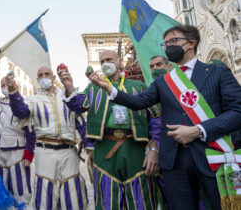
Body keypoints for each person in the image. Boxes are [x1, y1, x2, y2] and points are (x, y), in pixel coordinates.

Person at [88, 25, 241, 209]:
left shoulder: (217, 72)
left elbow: (237, 111)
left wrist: (198, 130)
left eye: (174, 41)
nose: (168, 46)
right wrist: (109, 89)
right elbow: (139, 102)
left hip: (211, 155)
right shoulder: (163, 81)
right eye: (166, 43)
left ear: (191, 43)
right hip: (175, 161)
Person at [60, 51, 161, 210]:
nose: (105, 63)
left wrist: (155, 147)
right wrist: (68, 87)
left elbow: (156, 119)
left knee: (141, 199)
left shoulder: (138, 86)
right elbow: (77, 105)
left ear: (120, 62)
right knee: (108, 201)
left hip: (135, 149)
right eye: (101, 61)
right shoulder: (93, 88)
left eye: (109, 59)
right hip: (104, 150)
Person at [6, 66, 88, 210]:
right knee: (45, 194)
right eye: (41, 75)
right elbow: (21, 112)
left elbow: (81, 120)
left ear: (54, 78)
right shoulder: (32, 99)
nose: (44, 77)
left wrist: (89, 144)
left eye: (47, 74)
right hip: (45, 150)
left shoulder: (67, 96)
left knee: (73, 192)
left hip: (69, 150)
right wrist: (13, 92)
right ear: (37, 80)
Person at [0, 66, 35, 203]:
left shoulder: (25, 103)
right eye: (2, 84)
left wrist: (29, 152)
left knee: (20, 190)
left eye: (7, 84)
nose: (5, 87)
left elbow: (30, 131)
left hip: (18, 152)